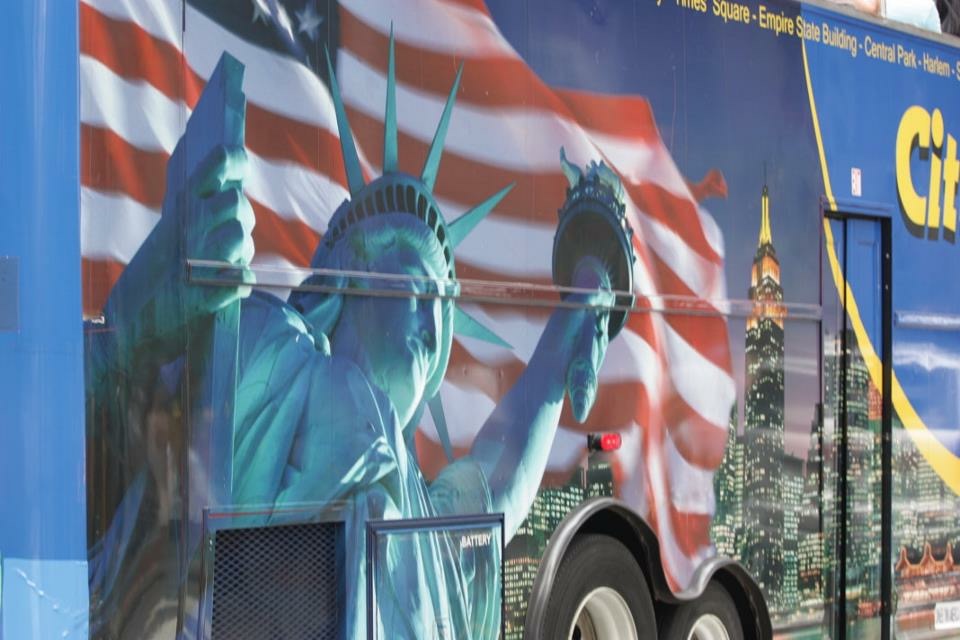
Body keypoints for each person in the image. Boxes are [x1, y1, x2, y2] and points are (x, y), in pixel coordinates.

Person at [87, 44, 624, 639]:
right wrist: (135, 323)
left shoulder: (431, 518)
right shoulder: (267, 345)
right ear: (347, 280)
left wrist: (582, 306)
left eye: (443, 319)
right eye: (419, 292)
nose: (431, 326)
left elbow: (505, 467)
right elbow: (121, 448)